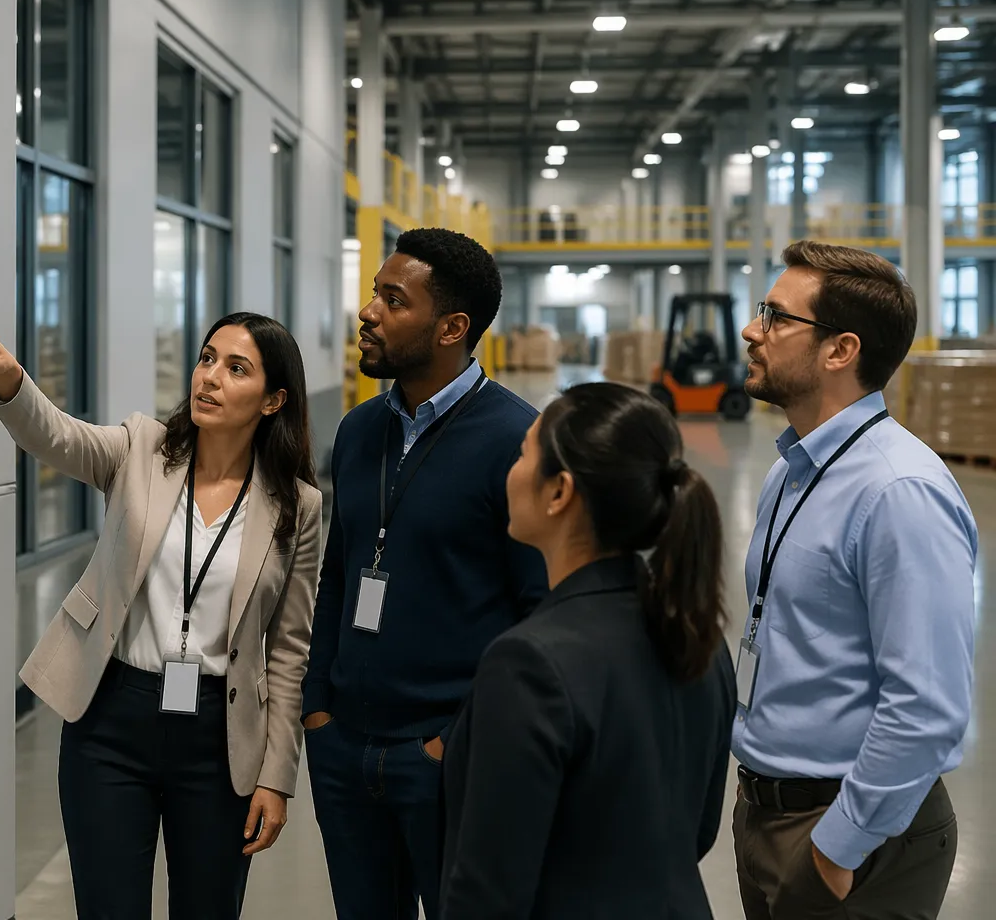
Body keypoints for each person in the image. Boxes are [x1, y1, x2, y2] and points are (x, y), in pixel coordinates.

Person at [0, 309, 323, 919]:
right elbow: (57, 436)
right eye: (207, 359)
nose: (209, 378)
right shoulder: (142, 449)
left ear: (273, 400)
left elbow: (288, 650)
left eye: (236, 369)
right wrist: (12, 381)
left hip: (220, 735)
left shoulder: (295, 507)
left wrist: (277, 776)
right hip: (111, 721)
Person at [301, 228, 548, 919]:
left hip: (446, 760)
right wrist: (317, 708)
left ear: (452, 328)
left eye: (392, 300)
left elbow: (540, 617)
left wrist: (457, 738)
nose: (368, 313)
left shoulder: (518, 443)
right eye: (374, 294)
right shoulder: (356, 432)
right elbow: (338, 578)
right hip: (344, 746)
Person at [732, 241, 976, 919]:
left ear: (841, 350)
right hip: (770, 810)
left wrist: (837, 849)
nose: (753, 331)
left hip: (854, 834)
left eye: (776, 317)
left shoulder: (899, 491)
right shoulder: (791, 471)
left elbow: (928, 707)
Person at [438, 382, 737, 919]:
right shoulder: (700, 638)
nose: (512, 470)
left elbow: (489, 891)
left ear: (559, 492)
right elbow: (696, 832)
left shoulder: (529, 664)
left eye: (523, 454)